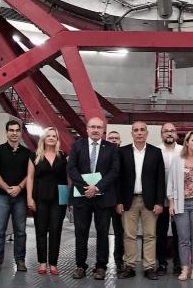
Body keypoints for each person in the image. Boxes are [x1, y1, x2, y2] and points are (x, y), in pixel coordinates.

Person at [68, 117, 120, 280]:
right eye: (93, 127)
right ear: (87, 129)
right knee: (80, 232)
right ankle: (80, 266)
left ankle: (100, 267)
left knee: (102, 233)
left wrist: (97, 187)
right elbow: (72, 168)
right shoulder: (77, 145)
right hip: (82, 197)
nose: (96, 130)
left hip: (103, 197)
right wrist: (87, 187)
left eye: (99, 127)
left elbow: (114, 171)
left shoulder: (111, 148)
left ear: (103, 130)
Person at [117, 122, 167, 280]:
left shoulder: (156, 152)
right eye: (136, 130)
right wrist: (118, 201)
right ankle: (130, 266)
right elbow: (118, 179)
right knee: (129, 235)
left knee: (150, 235)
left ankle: (149, 267)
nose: (139, 133)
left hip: (150, 201)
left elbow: (160, 179)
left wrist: (159, 202)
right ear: (132, 133)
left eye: (142, 130)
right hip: (128, 200)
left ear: (147, 133)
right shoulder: (122, 152)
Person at [0, 119, 33, 272]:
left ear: (20, 133)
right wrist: (8, 188)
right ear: (6, 132)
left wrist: (20, 187)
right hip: (1, 196)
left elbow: (30, 175)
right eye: (11, 130)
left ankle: (20, 260)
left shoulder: (27, 153)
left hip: (20, 197)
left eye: (17, 130)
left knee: (20, 230)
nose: (14, 133)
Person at [27, 127, 67, 275]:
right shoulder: (35, 156)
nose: (51, 138)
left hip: (59, 198)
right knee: (41, 230)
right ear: (43, 138)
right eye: (48, 135)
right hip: (40, 197)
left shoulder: (63, 156)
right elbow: (30, 178)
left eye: (54, 136)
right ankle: (43, 262)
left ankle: (54, 264)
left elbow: (71, 175)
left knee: (56, 230)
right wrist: (29, 198)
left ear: (57, 139)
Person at [169, 131, 193, 281]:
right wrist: (171, 202)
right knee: (183, 238)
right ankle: (185, 269)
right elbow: (171, 183)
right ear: (187, 142)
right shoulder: (177, 161)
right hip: (181, 204)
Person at [156, 123, 181, 276]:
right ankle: (162, 264)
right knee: (160, 233)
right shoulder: (155, 151)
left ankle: (178, 264)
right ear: (162, 134)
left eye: (172, 131)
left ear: (176, 134)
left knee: (179, 233)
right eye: (166, 131)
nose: (169, 133)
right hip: (160, 201)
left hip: (179, 201)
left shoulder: (183, 151)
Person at [107, 130, 126, 274]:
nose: (114, 140)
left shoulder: (125, 156)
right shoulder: (101, 154)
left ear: (120, 141)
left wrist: (121, 201)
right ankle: (101, 262)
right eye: (111, 138)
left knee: (120, 232)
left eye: (116, 138)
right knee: (102, 232)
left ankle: (119, 260)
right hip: (102, 199)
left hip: (119, 200)